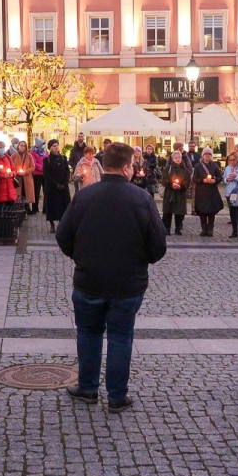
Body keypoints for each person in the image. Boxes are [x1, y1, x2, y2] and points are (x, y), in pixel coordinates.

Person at [56, 143, 167, 412]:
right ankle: (117, 396)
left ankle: (87, 387)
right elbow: (158, 245)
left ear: (105, 166)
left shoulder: (84, 196)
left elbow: (63, 235)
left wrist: (80, 258)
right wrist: (140, 262)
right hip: (128, 284)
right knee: (120, 337)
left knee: (88, 334)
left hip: (89, 280)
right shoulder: (142, 199)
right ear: (128, 167)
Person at [192, 147, 224, 237]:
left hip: (212, 192)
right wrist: (203, 180)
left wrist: (215, 180)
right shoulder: (198, 166)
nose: (207, 156)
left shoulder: (215, 166)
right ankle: (204, 229)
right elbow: (195, 178)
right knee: (202, 212)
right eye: (206, 154)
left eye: (209, 154)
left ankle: (210, 229)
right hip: (201, 192)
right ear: (203, 155)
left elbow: (220, 177)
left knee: (211, 212)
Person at [42, 140, 71, 232]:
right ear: (50, 148)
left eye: (57, 146)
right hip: (52, 187)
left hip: (63, 186)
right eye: (54, 146)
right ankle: (51, 224)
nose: (56, 147)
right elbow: (46, 174)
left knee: (63, 205)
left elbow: (67, 171)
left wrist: (64, 183)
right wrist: (56, 184)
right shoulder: (47, 160)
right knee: (52, 205)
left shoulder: (63, 158)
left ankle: (61, 223)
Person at [161, 150, 191, 235]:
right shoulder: (167, 169)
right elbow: (164, 180)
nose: (178, 159)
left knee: (179, 212)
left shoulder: (185, 170)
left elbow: (187, 181)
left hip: (180, 194)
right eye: (176, 157)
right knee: (167, 212)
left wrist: (181, 186)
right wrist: (171, 184)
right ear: (172, 158)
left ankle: (178, 228)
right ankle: (166, 228)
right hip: (169, 193)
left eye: (179, 157)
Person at [12, 141, 37, 211]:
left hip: (27, 178)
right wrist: (16, 172)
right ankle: (18, 209)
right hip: (17, 178)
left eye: (24, 146)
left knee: (26, 194)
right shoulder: (13, 156)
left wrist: (25, 172)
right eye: (21, 145)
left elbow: (32, 167)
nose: (22, 147)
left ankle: (26, 209)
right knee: (18, 194)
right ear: (18, 146)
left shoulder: (29, 156)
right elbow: (10, 166)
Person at [30, 142, 48, 214]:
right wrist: (44, 168)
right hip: (37, 174)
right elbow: (34, 163)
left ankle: (45, 209)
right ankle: (35, 209)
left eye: (44, 144)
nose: (43, 145)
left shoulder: (45, 152)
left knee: (46, 191)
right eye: (42, 144)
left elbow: (48, 161)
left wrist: (46, 169)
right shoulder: (33, 153)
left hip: (45, 174)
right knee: (36, 192)